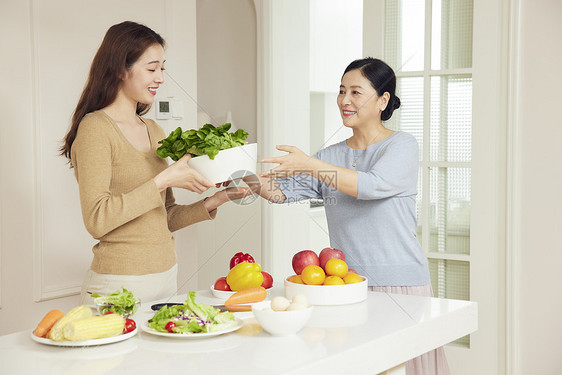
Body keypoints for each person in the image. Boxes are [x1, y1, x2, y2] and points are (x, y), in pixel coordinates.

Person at [255, 57, 450, 375]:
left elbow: (371, 186)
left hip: (401, 285)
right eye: (341, 91)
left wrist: (310, 163)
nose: (345, 100)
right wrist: (238, 177)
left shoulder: (400, 146)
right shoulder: (330, 156)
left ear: (382, 99)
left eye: (356, 92)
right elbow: (282, 192)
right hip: (346, 286)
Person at [60, 21, 250, 305]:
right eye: (152, 68)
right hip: (116, 285)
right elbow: (97, 220)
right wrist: (163, 180)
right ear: (120, 69)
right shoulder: (95, 129)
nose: (160, 78)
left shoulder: (154, 130)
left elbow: (166, 215)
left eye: (163, 68)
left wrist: (218, 199)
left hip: (165, 279)